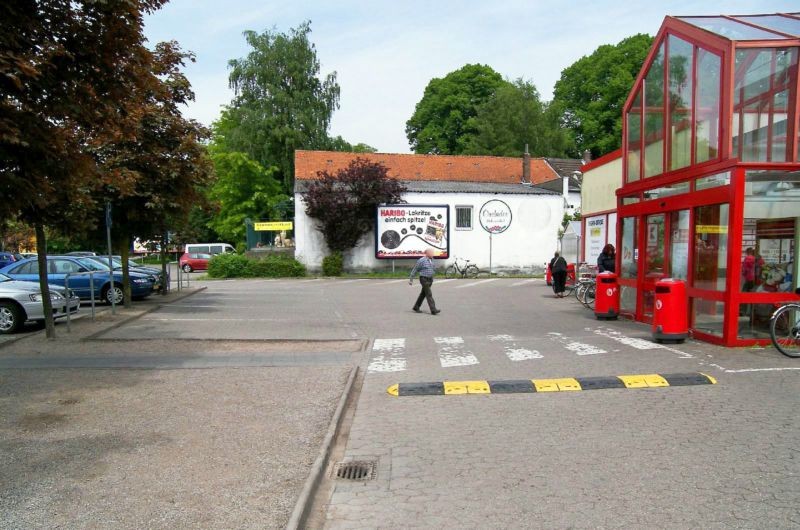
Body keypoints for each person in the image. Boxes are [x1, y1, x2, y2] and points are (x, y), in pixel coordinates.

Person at [409, 248, 440, 314]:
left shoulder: (432, 260)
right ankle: (433, 310)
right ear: (427, 253)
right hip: (424, 279)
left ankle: (416, 307)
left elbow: (433, 268)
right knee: (429, 294)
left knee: (423, 294)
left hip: (430, 279)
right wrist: (411, 279)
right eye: (431, 252)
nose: (433, 254)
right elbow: (415, 269)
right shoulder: (421, 260)